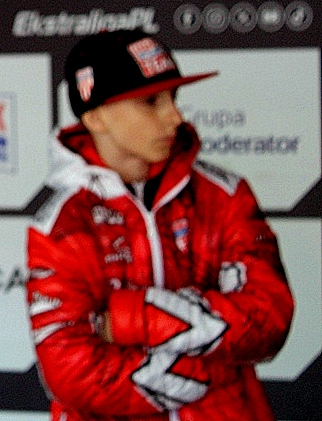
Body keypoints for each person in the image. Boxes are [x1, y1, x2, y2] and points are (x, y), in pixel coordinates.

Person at [26, 29, 294, 420]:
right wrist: (213, 370)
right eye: (151, 101)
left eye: (174, 97)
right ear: (95, 116)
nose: (175, 117)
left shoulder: (224, 195)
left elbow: (270, 321)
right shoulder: (62, 223)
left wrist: (132, 318)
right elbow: (71, 373)